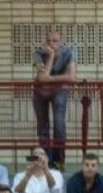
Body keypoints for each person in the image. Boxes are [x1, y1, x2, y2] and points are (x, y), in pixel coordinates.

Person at [32, 29, 75, 166]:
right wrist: (50, 56)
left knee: (59, 124)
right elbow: (41, 78)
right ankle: (45, 161)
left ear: (61, 42)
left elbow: (72, 77)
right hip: (40, 92)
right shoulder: (38, 53)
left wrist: (49, 78)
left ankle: (59, 161)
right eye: (49, 41)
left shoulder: (69, 52)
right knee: (42, 127)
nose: (52, 44)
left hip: (59, 91)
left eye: (55, 41)